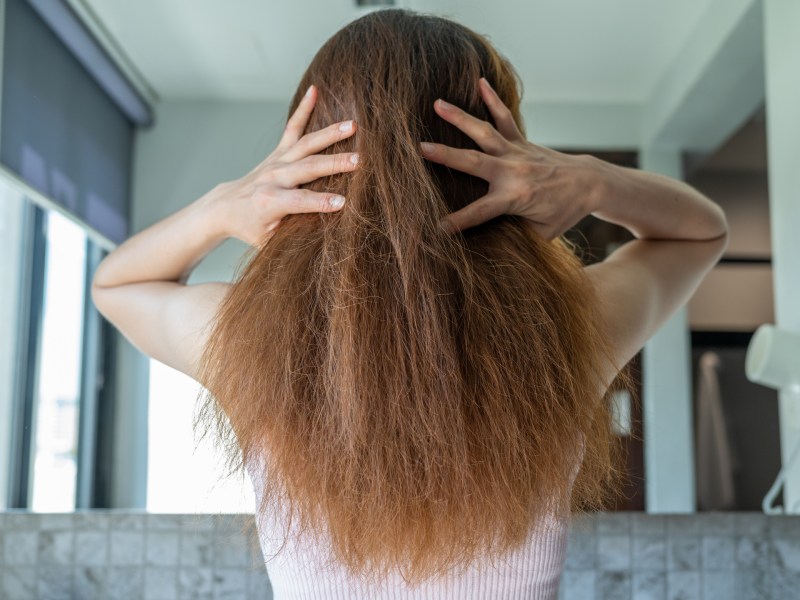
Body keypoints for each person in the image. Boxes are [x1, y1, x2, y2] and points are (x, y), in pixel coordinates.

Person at [91, 9, 728, 599]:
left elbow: (115, 286)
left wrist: (224, 204)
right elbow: (700, 232)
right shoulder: (569, 331)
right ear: (499, 149)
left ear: (311, 155)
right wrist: (592, 179)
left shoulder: (246, 340)